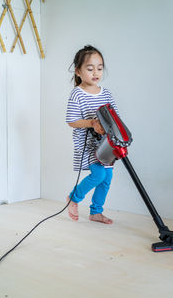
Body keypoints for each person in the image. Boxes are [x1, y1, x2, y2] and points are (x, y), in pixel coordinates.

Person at [66, 45, 119, 224]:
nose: (95, 72)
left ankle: (96, 212)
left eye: (99, 67)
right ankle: (73, 198)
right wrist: (91, 123)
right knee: (99, 175)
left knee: (107, 179)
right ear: (78, 71)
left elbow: (114, 117)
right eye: (90, 68)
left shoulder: (106, 93)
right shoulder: (77, 94)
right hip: (88, 145)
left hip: (106, 146)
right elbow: (71, 121)